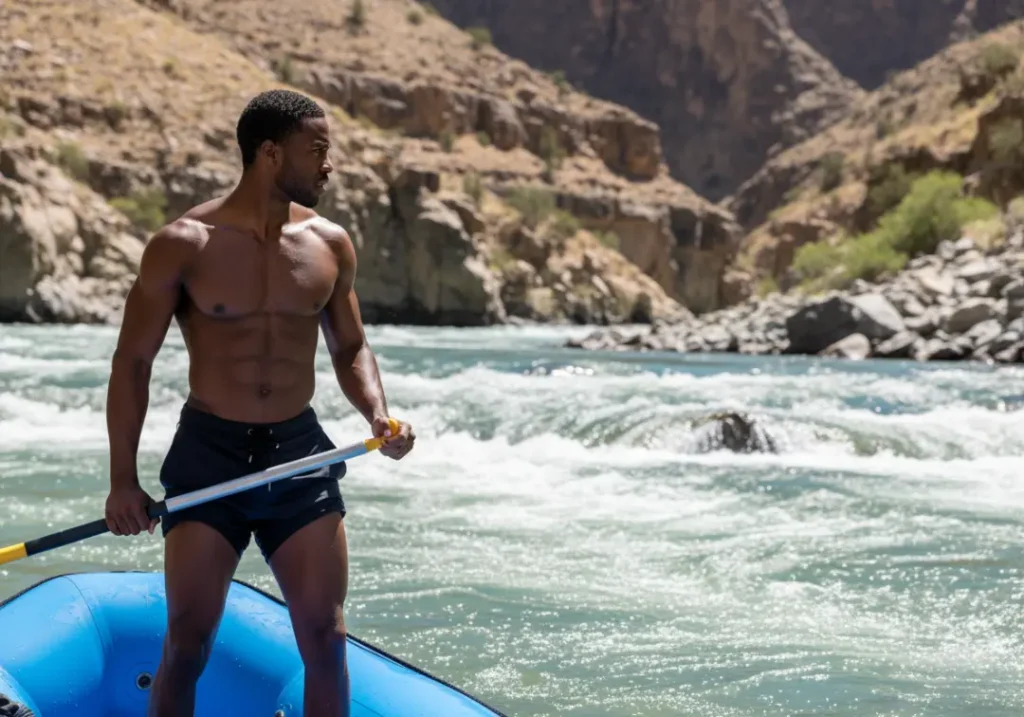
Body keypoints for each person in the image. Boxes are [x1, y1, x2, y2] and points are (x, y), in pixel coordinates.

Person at [103, 88, 415, 717]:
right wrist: (122, 482)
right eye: (318, 150)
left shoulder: (330, 244)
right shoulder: (184, 243)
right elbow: (133, 362)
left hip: (299, 456)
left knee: (326, 637)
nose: (329, 165)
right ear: (271, 153)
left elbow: (351, 347)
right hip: (210, 454)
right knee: (187, 644)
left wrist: (377, 413)